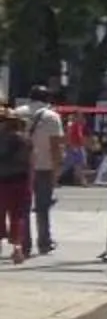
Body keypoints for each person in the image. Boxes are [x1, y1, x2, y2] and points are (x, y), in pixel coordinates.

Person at [24, 86, 63, 255]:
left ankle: (24, 243)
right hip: (44, 167)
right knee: (43, 207)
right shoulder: (52, 117)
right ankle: (44, 242)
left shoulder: (17, 113)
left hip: (21, 167)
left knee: (22, 207)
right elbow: (55, 146)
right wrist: (57, 169)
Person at [0, 105, 32, 266]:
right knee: (18, 216)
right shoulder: (24, 139)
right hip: (20, 180)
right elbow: (30, 161)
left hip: (2, 181)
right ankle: (18, 248)